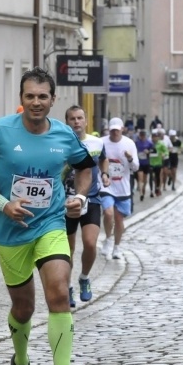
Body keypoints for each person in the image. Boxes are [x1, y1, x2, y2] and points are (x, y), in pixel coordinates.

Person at [0, 67, 95, 365]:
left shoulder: (64, 135)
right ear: (21, 100)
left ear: (53, 100)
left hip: (51, 223)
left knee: (58, 291)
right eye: (30, 96)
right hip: (11, 231)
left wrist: (80, 199)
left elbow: (86, 167)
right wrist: (2, 203)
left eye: (43, 96)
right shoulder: (1, 130)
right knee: (23, 308)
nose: (36, 102)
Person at [63, 105, 108, 308]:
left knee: (90, 243)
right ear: (67, 122)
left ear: (86, 121)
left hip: (91, 199)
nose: (77, 122)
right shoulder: (61, 143)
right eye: (72, 118)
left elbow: (103, 159)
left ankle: (84, 277)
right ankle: (68, 286)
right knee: (68, 250)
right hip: (66, 201)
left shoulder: (97, 142)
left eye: (80, 118)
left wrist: (105, 174)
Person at [100, 117, 140, 260]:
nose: (115, 133)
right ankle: (108, 239)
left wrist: (129, 158)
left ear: (122, 129)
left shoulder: (129, 143)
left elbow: (135, 167)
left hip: (123, 187)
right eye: (112, 130)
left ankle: (117, 247)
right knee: (108, 213)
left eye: (117, 130)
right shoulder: (102, 142)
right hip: (106, 185)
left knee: (118, 218)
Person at [134, 129, 153, 201]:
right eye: (141, 135)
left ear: (145, 136)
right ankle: (141, 193)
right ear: (139, 136)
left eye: (143, 135)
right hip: (139, 163)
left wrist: (148, 151)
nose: (142, 137)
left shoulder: (149, 143)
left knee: (145, 180)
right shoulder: (137, 143)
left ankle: (143, 188)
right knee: (140, 178)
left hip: (146, 163)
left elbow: (153, 150)